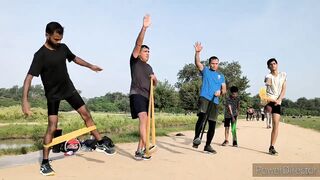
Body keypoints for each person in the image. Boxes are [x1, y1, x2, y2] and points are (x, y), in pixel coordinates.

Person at [22, 22, 115, 176]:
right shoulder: (40, 55)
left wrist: (90, 66)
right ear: (47, 35)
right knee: (52, 126)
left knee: (86, 114)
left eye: (60, 39)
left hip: (68, 89)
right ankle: (45, 163)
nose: (58, 42)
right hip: (53, 94)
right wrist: (24, 100)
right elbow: (29, 78)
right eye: (56, 39)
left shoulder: (63, 48)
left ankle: (100, 142)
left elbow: (74, 58)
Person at [129, 15, 157, 160]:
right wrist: (144, 28)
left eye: (148, 52)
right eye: (145, 51)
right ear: (139, 53)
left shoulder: (149, 67)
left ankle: (139, 150)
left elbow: (154, 84)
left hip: (147, 97)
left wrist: (155, 79)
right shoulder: (134, 61)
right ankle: (147, 146)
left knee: (145, 124)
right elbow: (138, 43)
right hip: (137, 94)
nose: (147, 54)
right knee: (143, 118)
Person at [192, 42, 226, 154]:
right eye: (213, 63)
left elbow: (224, 90)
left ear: (218, 64)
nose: (214, 65)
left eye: (216, 63)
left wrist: (220, 92)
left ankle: (207, 145)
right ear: (209, 63)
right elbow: (197, 63)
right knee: (202, 117)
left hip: (214, 101)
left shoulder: (221, 76)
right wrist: (197, 52)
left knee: (212, 123)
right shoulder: (205, 70)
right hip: (205, 97)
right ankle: (196, 138)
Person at [264, 58, 287, 155]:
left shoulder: (283, 74)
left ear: (277, 64)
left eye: (274, 63)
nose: (273, 65)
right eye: (271, 64)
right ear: (268, 67)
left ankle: (271, 146)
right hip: (271, 100)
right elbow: (267, 89)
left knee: (276, 125)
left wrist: (279, 99)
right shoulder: (268, 76)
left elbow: (284, 88)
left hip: (278, 101)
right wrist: (271, 100)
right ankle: (272, 147)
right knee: (273, 122)